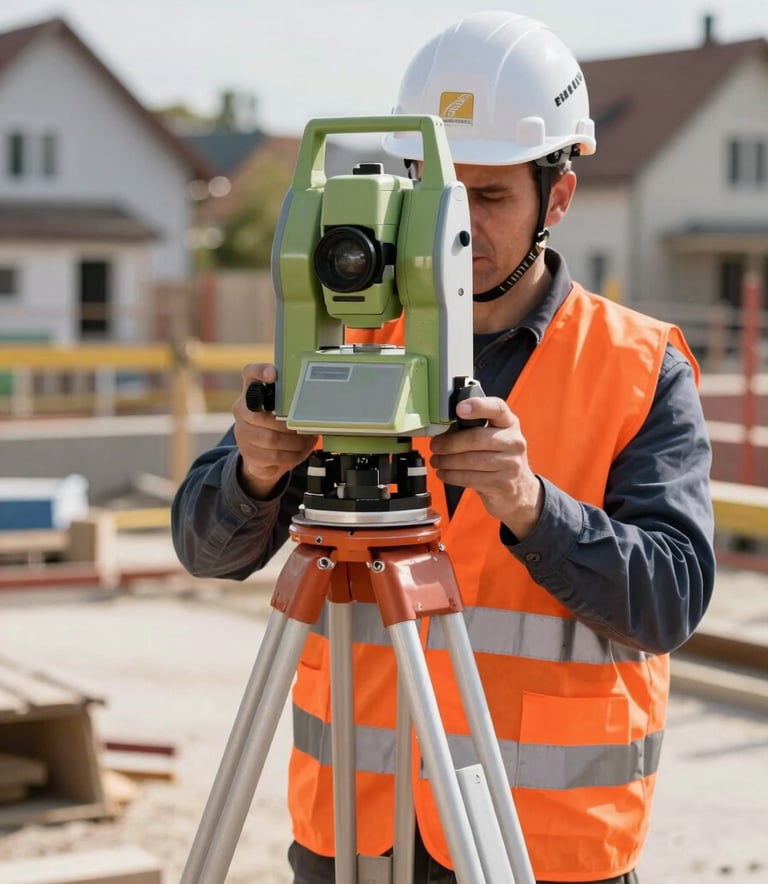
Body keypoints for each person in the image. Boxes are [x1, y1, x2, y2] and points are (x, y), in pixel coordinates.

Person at [172, 11, 715, 884]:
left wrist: (535, 510)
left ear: (558, 198)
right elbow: (204, 547)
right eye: (441, 192)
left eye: (490, 194)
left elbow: (671, 601)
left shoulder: (639, 366)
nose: (456, 225)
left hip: (540, 844)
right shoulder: (346, 335)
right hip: (358, 833)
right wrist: (255, 472)